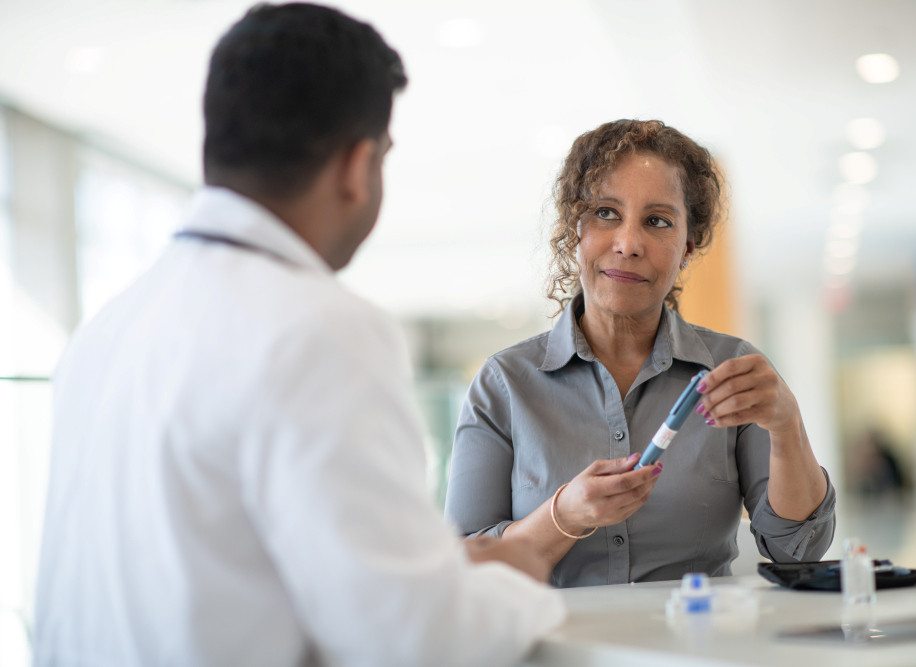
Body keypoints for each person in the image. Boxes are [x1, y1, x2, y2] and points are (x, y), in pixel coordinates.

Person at [33, 4, 564, 666]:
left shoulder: (106, 328)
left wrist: (429, 573)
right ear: (357, 164)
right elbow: (418, 641)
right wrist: (513, 574)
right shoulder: (320, 327)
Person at [445, 119, 836, 588]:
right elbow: (466, 563)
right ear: (576, 232)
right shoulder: (504, 384)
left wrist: (787, 426)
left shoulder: (731, 372)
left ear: (687, 249)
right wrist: (563, 515)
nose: (628, 244)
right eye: (606, 213)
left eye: (658, 222)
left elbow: (799, 550)